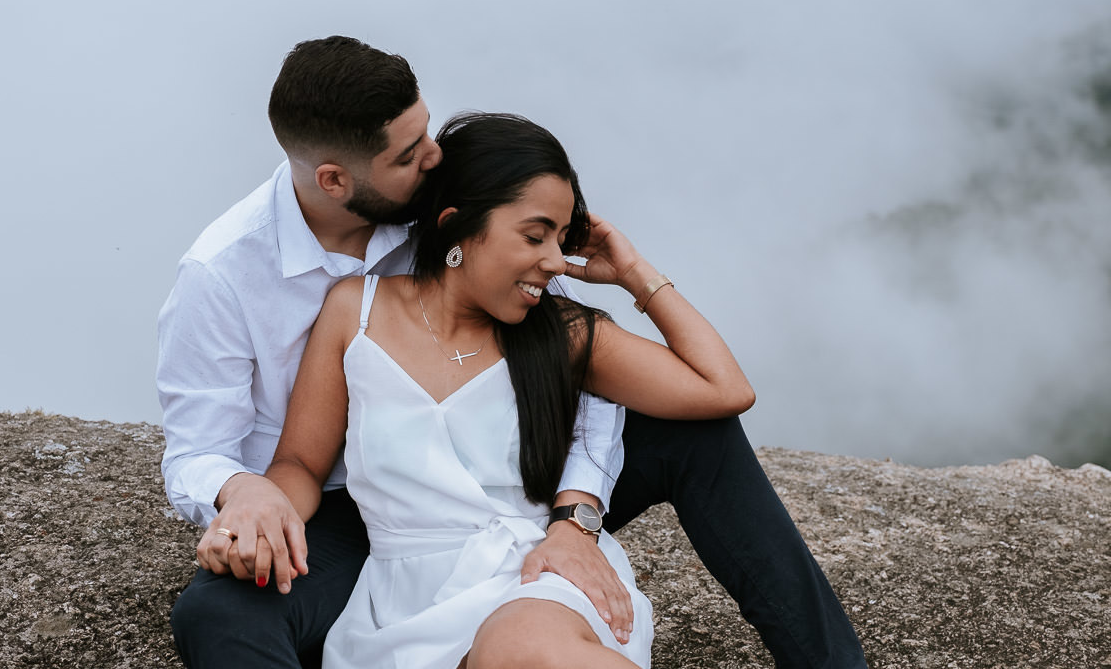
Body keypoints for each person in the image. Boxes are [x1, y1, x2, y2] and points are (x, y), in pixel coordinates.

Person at [158, 36, 867, 668]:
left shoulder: (457, 219)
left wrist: (574, 514)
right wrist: (245, 501)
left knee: (700, 432)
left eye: (427, 134)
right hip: (353, 511)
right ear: (336, 180)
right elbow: (211, 451)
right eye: (410, 156)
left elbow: (588, 380)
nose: (434, 159)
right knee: (217, 616)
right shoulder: (225, 274)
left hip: (509, 481)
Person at [235, 111, 754, 667]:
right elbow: (299, 464)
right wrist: (254, 510)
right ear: (457, 225)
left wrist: (633, 273)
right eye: (535, 235)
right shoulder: (353, 311)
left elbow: (723, 389)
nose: (555, 261)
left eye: (560, 237)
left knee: (517, 646)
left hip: (541, 576)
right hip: (400, 606)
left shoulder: (565, 332)